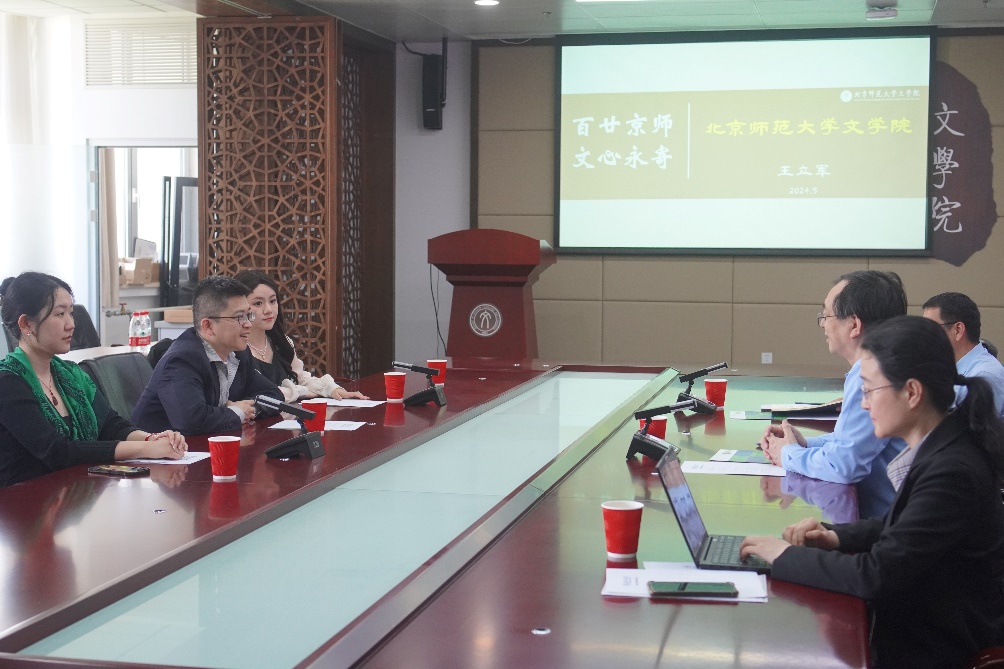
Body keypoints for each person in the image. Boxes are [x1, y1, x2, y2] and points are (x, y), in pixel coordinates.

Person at [741, 315, 1004, 669]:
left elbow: (875, 575)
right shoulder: (943, 445)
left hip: (935, 649)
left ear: (911, 392)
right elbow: (902, 525)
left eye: (869, 390)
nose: (864, 405)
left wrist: (783, 555)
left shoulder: (953, 470)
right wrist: (835, 536)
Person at [0, 272, 186, 487]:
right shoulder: (8, 382)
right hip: (25, 501)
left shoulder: (71, 375)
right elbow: (57, 451)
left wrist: (151, 439)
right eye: (60, 314)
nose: (71, 324)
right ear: (26, 324)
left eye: (71, 313)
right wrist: (146, 449)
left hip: (74, 492)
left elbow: (110, 425)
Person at [761, 270, 908, 518]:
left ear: (854, 325)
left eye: (826, 316)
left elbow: (844, 465)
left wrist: (787, 454)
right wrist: (806, 444)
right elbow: (856, 443)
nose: (823, 325)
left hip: (887, 525)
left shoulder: (875, 374)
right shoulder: (885, 363)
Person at [131, 276, 284, 435]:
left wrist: (250, 409)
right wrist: (237, 412)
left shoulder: (239, 354)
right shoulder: (183, 360)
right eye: (240, 317)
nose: (248, 324)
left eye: (248, 315)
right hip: (156, 448)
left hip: (207, 443)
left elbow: (274, 394)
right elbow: (191, 421)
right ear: (208, 326)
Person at [232, 270, 368, 402]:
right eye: (258, 303)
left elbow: (300, 378)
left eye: (273, 301)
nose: (268, 310)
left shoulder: (281, 342)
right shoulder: (233, 349)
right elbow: (258, 394)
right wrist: (302, 392)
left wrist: (332, 389)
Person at [922, 291, 1004, 417]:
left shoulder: (985, 375)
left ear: (958, 330)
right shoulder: (941, 368)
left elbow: (973, 428)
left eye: (930, 328)